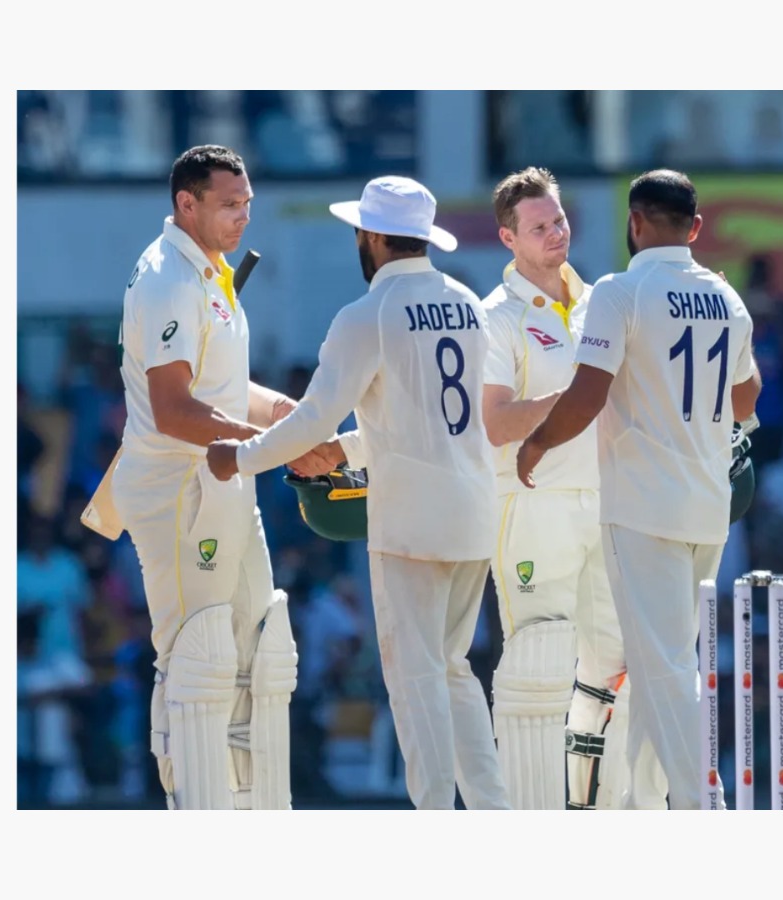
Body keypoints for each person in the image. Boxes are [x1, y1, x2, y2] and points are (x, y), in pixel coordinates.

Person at [205, 175, 511, 810]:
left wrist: (241, 458)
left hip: (411, 523)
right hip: (474, 511)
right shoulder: (467, 303)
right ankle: (491, 811)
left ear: (370, 236)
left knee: (415, 678)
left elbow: (313, 418)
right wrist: (342, 452)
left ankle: (435, 818)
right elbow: (433, 421)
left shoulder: (366, 315)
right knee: (453, 670)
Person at [516, 169, 762, 810]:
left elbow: (587, 395)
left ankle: (701, 801)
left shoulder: (619, 292)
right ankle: (643, 805)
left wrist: (537, 442)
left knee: (665, 666)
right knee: (666, 661)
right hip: (708, 507)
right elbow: (746, 398)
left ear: (635, 222)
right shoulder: (726, 297)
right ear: (695, 228)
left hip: (643, 509)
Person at [110, 144, 317, 810]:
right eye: (230, 205)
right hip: (176, 490)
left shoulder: (211, 271)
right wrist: (277, 444)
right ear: (186, 204)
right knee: (196, 660)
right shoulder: (167, 279)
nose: (243, 217)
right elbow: (174, 410)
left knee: (262, 654)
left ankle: (257, 812)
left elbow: (221, 389)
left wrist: (285, 416)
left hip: (227, 479)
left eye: (247, 203)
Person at [479, 167, 665, 809]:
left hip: (607, 503)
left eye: (558, 220)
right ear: (508, 238)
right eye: (538, 227)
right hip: (533, 505)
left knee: (612, 671)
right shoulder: (494, 318)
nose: (555, 233)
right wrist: (579, 397)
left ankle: (600, 816)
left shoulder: (602, 303)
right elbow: (495, 422)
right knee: (538, 667)